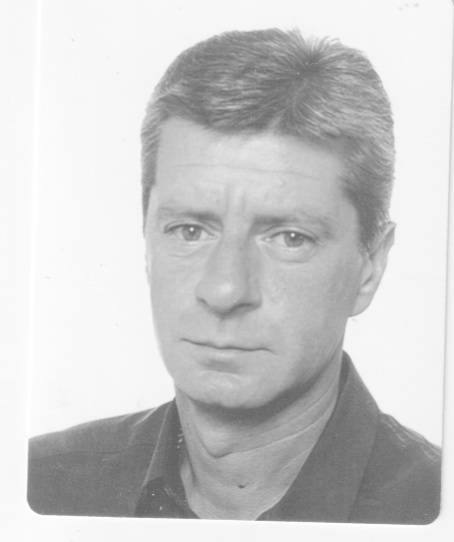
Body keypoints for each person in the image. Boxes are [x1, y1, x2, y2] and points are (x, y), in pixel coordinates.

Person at [28, 28, 441, 523]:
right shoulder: (36, 489)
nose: (224, 290)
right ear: (146, 239)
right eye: (189, 230)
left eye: (289, 238)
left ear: (370, 266)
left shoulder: (433, 510)